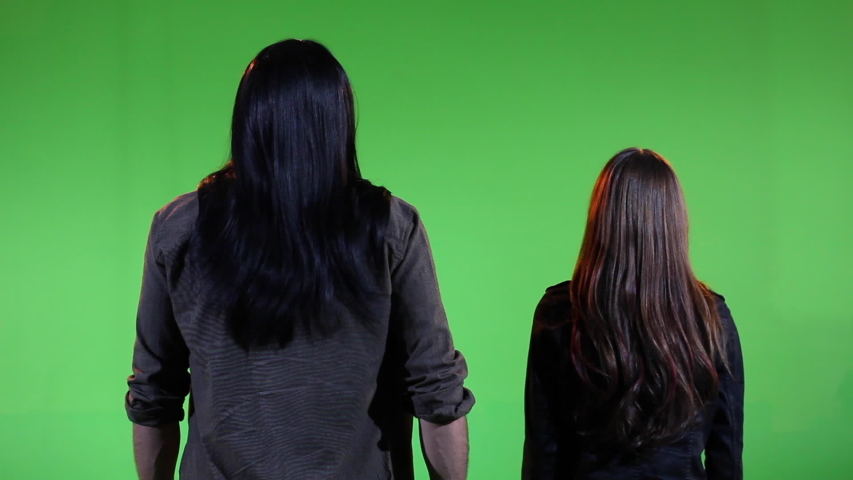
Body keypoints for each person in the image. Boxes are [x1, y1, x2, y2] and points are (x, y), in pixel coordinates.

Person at [125, 39, 474, 480]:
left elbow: (154, 396)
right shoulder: (390, 226)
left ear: (248, 120)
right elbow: (437, 392)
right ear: (340, 122)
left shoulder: (178, 229)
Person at [522, 148, 744, 479]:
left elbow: (543, 448)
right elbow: (725, 452)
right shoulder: (711, 316)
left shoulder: (558, 312)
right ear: (674, 219)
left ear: (601, 217)